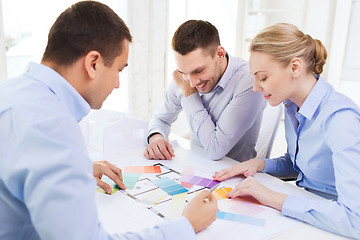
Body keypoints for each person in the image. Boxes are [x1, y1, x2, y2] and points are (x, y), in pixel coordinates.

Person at [0, 1, 217, 239]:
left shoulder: (12, 93)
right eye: (119, 70)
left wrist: (74, 169)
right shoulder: (53, 129)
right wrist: (186, 225)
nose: (117, 84)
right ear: (93, 63)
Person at [213, 23, 360, 239]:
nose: (255, 87)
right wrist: (259, 164)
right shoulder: (293, 106)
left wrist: (271, 197)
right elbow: (301, 165)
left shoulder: (340, 119)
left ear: (295, 67)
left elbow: (354, 219)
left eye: (262, 78)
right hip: (307, 210)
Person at [144, 20, 265, 162]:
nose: (193, 82)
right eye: (183, 72)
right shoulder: (185, 76)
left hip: (234, 174)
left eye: (199, 71)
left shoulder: (248, 80)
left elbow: (216, 150)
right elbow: (160, 119)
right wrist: (156, 137)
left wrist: (189, 95)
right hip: (196, 165)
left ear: (219, 54)